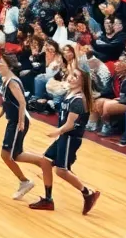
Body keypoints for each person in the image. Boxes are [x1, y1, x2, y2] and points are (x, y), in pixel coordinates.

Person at [35, 68, 102, 213]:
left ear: (82, 81)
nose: (71, 78)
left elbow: (70, 124)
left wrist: (56, 132)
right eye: (71, 75)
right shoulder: (69, 94)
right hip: (65, 136)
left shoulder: (79, 99)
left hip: (71, 137)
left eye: (75, 76)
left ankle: (88, 193)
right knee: (45, 161)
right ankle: (48, 200)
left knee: (61, 171)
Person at [0, 54, 54, 206]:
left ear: (9, 66)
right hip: (13, 121)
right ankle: (36, 168)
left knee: (8, 155)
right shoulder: (6, 80)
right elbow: (7, 103)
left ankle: (31, 174)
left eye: (1, 63)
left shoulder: (13, 82)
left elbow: (22, 102)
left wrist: (21, 121)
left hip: (18, 122)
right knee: (11, 154)